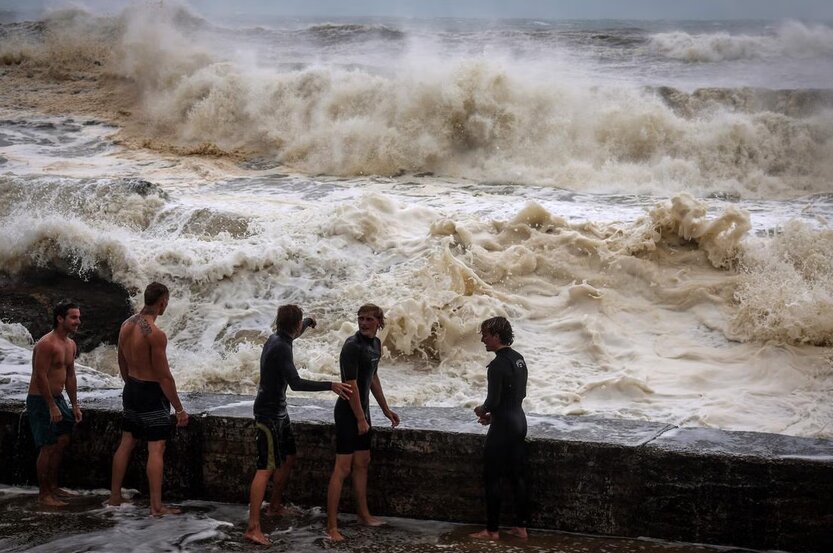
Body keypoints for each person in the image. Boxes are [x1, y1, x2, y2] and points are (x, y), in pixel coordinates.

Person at [244, 304, 352, 545]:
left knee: (289, 457)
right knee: (265, 468)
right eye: (299, 323)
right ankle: (253, 528)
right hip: (267, 415)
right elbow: (295, 383)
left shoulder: (280, 336)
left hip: (279, 412)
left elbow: (295, 332)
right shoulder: (281, 347)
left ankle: (274, 506)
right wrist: (331, 385)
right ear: (292, 325)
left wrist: (309, 322)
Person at [107, 282, 188, 516]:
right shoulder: (155, 334)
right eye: (166, 302)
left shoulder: (126, 325)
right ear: (162, 302)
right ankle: (156, 507)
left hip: (131, 387)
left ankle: (114, 497)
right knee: (156, 448)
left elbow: (121, 361)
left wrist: (130, 384)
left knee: (126, 442)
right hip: (150, 393)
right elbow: (164, 377)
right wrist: (179, 409)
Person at [326, 303, 400, 542]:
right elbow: (351, 385)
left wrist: (386, 410)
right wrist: (359, 419)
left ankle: (364, 515)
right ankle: (332, 527)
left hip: (363, 412)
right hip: (348, 413)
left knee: (363, 463)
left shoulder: (376, 345)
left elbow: (373, 377)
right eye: (361, 319)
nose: (364, 323)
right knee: (342, 468)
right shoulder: (352, 346)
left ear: (379, 322)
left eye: (369, 319)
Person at [470, 316, 530, 540]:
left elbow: (493, 401)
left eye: (485, 335)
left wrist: (482, 410)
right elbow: (517, 395)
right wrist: (495, 417)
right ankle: (521, 527)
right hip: (519, 422)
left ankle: (492, 530)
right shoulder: (519, 359)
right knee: (517, 477)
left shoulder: (496, 365)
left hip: (504, 427)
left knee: (492, 477)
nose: (483, 339)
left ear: (496, 336)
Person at [25, 300, 83, 507]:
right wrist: (51, 406)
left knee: (62, 440)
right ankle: (44, 494)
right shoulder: (46, 344)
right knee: (48, 446)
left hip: (59, 399)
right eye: (73, 317)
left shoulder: (70, 344)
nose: (78, 321)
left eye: (78, 317)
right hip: (41, 400)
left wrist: (74, 405)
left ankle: (54, 486)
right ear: (60, 319)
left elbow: (70, 376)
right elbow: (39, 376)